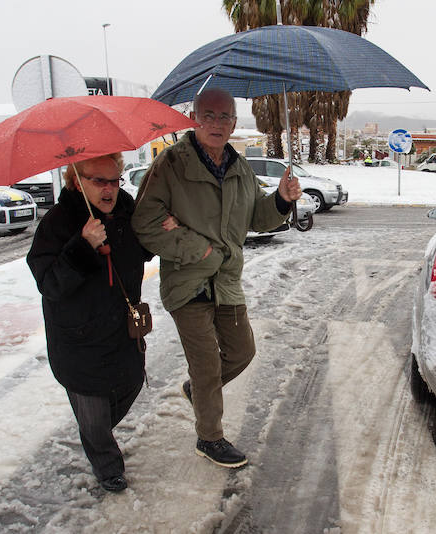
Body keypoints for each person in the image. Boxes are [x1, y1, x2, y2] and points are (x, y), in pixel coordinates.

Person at [131, 88, 301, 468]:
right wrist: (199, 249)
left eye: (224, 117)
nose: (216, 123)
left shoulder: (239, 168)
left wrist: (281, 200)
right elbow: (144, 222)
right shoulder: (171, 165)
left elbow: (258, 217)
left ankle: (199, 391)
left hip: (226, 281)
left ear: (235, 124)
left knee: (242, 352)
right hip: (187, 282)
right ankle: (210, 438)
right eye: (208, 115)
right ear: (194, 118)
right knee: (207, 364)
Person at [27, 153, 152, 492]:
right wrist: (83, 246)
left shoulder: (125, 208)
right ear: (76, 180)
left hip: (121, 329)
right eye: (100, 181)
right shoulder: (57, 222)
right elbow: (49, 284)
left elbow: (140, 247)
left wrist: (159, 232)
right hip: (78, 339)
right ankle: (107, 466)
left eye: (115, 180)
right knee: (95, 416)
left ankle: (92, 427)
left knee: (131, 383)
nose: (110, 189)